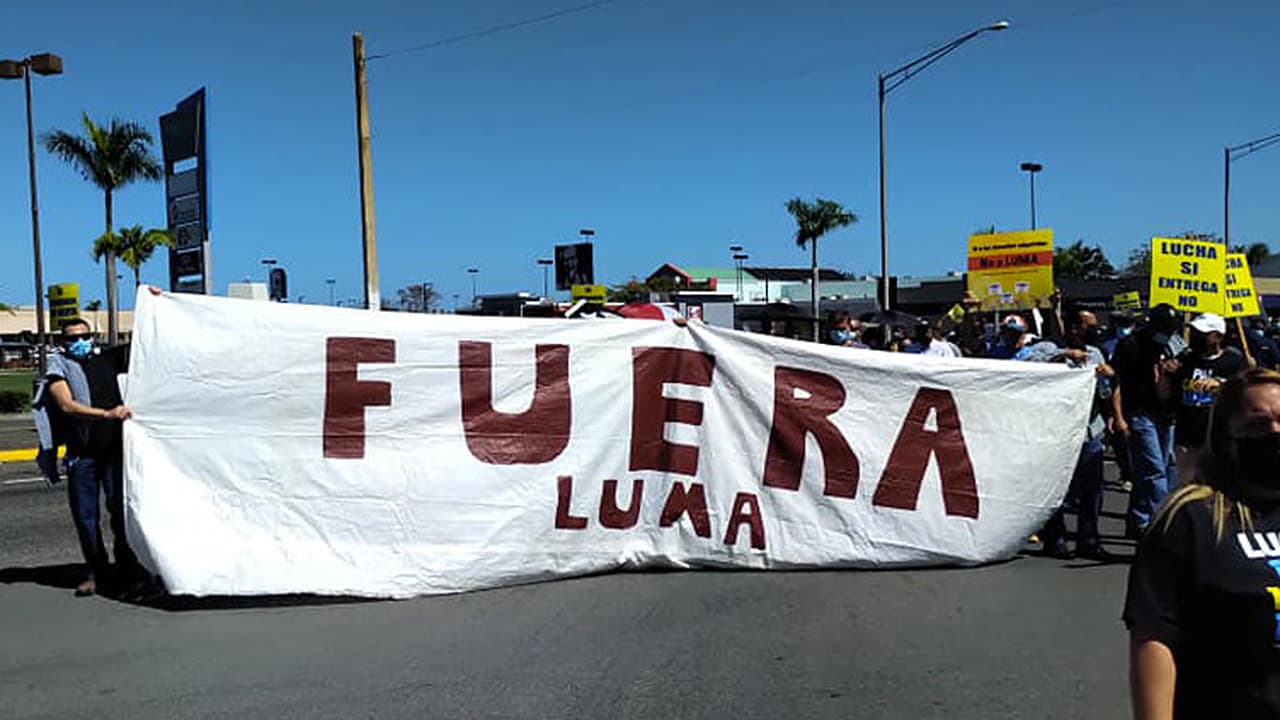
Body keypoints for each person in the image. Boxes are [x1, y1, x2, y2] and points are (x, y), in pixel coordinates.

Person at [1125, 369, 1280, 719]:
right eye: (1258, 424)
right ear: (1228, 434)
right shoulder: (1191, 518)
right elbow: (1155, 637)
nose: (1275, 433)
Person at [44, 318, 134, 597]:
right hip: (82, 454)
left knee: (120, 512)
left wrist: (152, 302)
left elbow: (147, 342)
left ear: (92, 336)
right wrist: (106, 414)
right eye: (72, 339)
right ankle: (96, 571)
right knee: (85, 516)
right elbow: (66, 405)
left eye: (84, 336)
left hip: (113, 451)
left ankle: (128, 568)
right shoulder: (59, 369)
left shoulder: (109, 360)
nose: (79, 342)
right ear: (63, 343)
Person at [1112, 304, 1183, 538]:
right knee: (1154, 470)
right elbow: (1117, 382)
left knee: (1166, 467)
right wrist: (1118, 415)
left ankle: (1138, 517)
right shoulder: (1130, 345)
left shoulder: (1174, 345)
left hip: (1166, 413)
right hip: (1140, 412)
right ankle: (1160, 523)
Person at [1173, 313, 1246, 485]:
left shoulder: (1233, 361)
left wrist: (1221, 385)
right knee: (1189, 487)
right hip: (1187, 435)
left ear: (1218, 337)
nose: (1196, 337)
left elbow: (1245, 394)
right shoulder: (1185, 359)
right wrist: (1166, 373)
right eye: (1195, 333)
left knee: (1219, 486)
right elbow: (1167, 394)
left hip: (1219, 436)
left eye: (1203, 334)